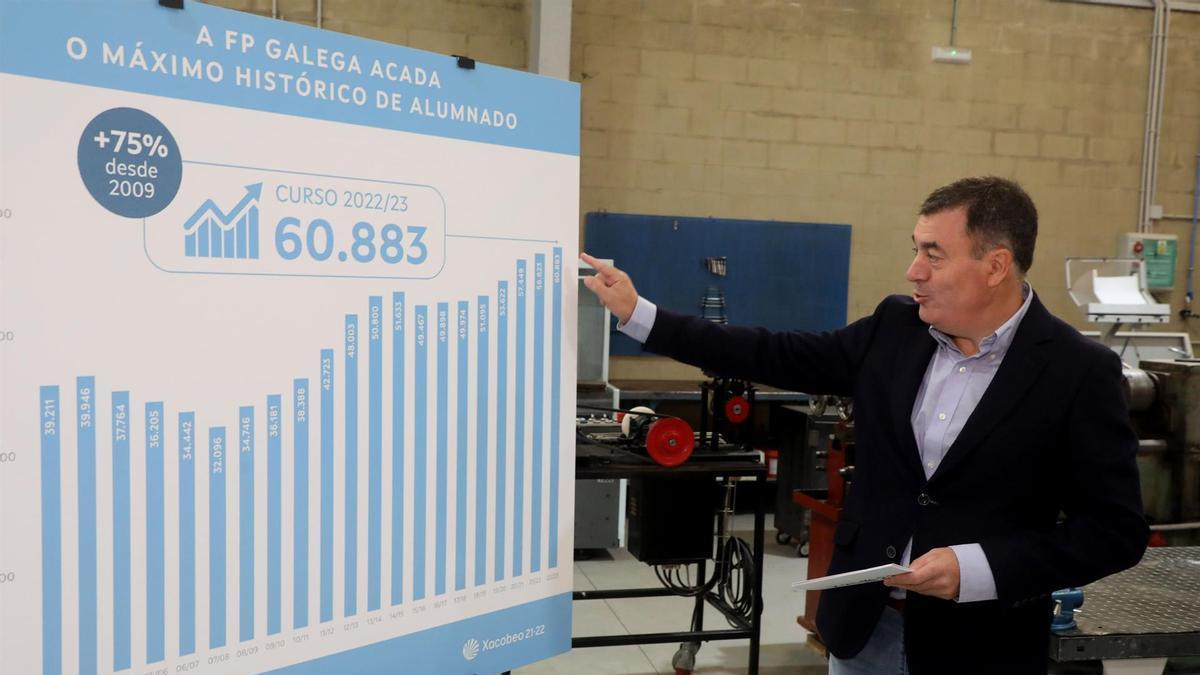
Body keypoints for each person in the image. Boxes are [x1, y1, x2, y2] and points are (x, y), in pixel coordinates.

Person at [580, 176, 1147, 675]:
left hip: (980, 643)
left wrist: (978, 568)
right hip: (864, 629)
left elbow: (1114, 532)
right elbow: (774, 353)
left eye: (934, 254)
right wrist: (639, 314)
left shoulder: (1078, 373)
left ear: (996, 265)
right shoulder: (894, 328)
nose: (913, 270)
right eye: (914, 250)